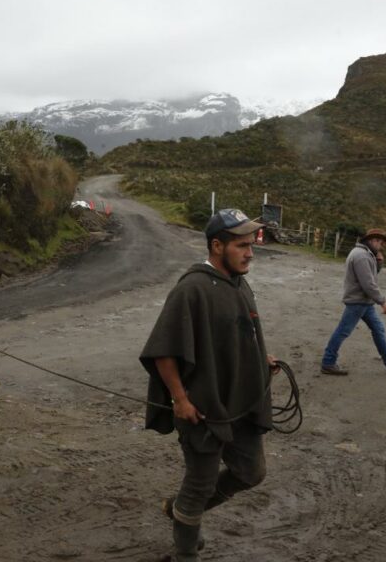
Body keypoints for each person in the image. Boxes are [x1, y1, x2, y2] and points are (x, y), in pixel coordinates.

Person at [140, 208, 279, 562]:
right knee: (199, 485)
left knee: (251, 472)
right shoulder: (192, 289)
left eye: (252, 245)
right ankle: (185, 550)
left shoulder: (239, 283)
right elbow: (164, 353)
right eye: (242, 245)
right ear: (217, 246)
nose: (250, 253)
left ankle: (181, 511)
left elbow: (237, 334)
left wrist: (261, 361)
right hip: (202, 408)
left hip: (241, 404)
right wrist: (180, 400)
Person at [320, 228, 386, 376]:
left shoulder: (366, 254)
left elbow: (372, 274)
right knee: (343, 331)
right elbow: (368, 283)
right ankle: (328, 362)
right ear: (372, 240)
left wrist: (379, 261)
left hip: (364, 301)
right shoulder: (361, 256)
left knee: (378, 329)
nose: (381, 245)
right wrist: (382, 302)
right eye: (379, 242)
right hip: (358, 301)